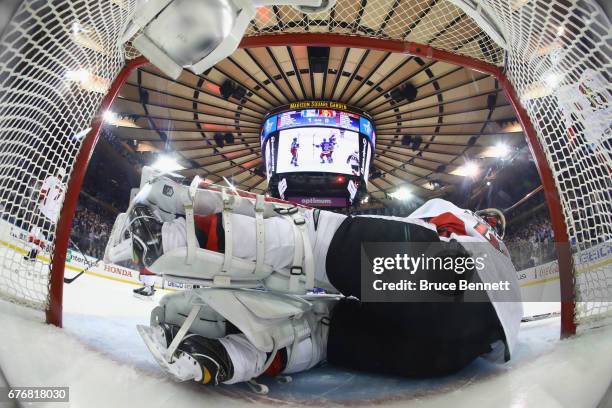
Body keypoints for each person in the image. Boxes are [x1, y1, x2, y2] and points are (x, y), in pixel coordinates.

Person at [106, 174, 522, 388]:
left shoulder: (451, 215)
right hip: (448, 356)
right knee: (323, 335)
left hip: (452, 274)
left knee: (313, 239)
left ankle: (169, 234)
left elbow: (373, 252)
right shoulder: (501, 264)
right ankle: (228, 357)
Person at [24, 168, 66, 261]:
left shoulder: (51, 179)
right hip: (53, 217)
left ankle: (32, 250)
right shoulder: (63, 188)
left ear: (57, 172)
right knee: (43, 235)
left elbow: (43, 191)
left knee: (35, 229)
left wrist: (38, 199)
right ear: (63, 177)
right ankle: (34, 254)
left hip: (44, 211)